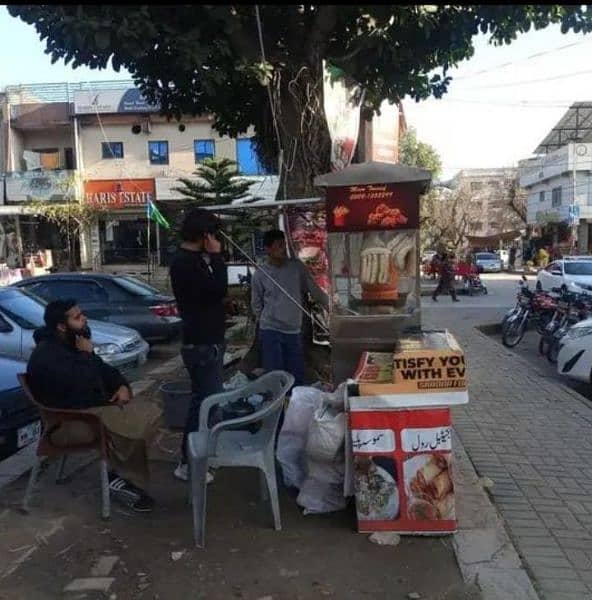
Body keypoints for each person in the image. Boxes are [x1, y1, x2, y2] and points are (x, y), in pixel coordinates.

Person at [27, 300, 162, 512]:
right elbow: (81, 389)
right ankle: (122, 479)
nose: (84, 319)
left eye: (82, 314)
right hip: (68, 423)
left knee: (152, 411)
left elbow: (105, 371)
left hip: (91, 411)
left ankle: (121, 475)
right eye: (77, 317)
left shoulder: (73, 344)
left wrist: (121, 386)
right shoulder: (47, 355)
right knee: (138, 423)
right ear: (62, 326)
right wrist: (86, 355)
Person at [169, 208, 227, 483]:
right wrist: (217, 257)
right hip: (202, 343)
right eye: (213, 235)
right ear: (205, 236)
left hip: (206, 340)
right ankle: (189, 462)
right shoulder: (186, 263)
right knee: (204, 404)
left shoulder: (192, 260)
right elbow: (217, 290)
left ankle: (197, 457)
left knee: (206, 402)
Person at [251, 229, 329, 386]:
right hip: (271, 330)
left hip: (293, 330)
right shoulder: (261, 274)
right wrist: (266, 319)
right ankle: (278, 408)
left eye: (284, 245)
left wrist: (331, 305)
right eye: (279, 246)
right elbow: (256, 304)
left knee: (296, 373)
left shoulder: (296, 268)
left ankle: (294, 406)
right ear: (268, 249)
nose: (283, 250)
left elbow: (314, 291)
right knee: (275, 374)